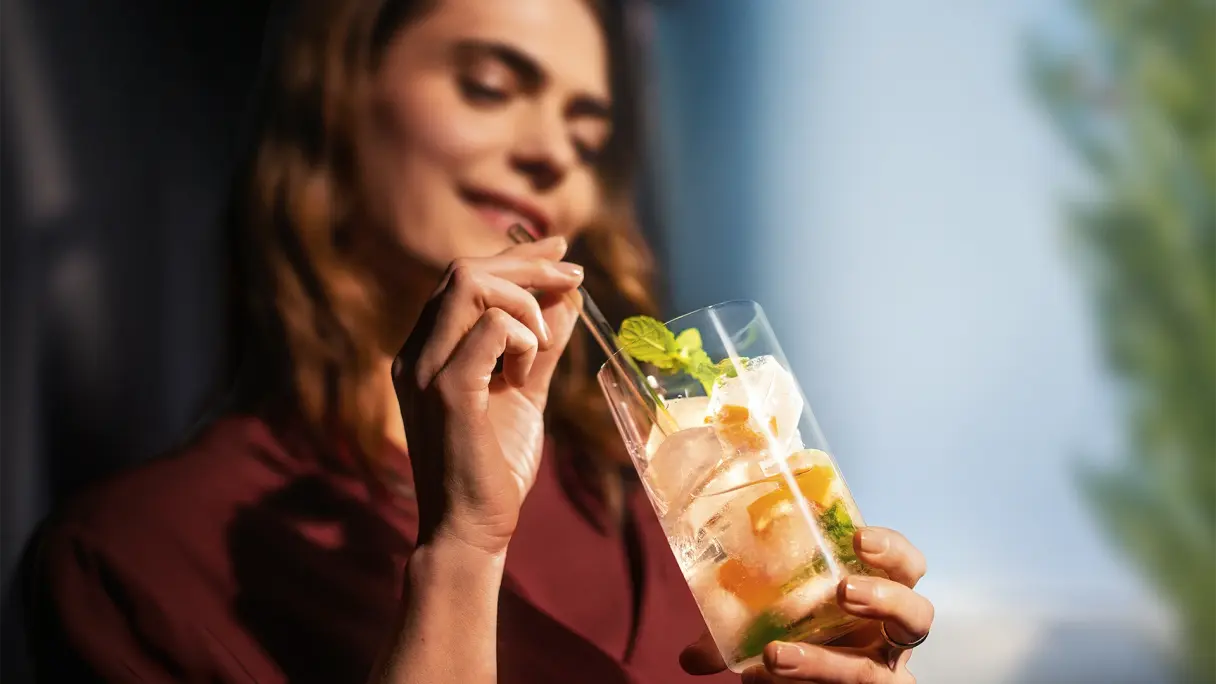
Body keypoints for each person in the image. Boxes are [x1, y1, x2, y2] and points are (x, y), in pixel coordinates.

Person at [22, 0, 934, 682]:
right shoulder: (133, 557)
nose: (553, 156)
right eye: (491, 87)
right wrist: (461, 553)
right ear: (337, 101)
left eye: (588, 136)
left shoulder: (670, 498)